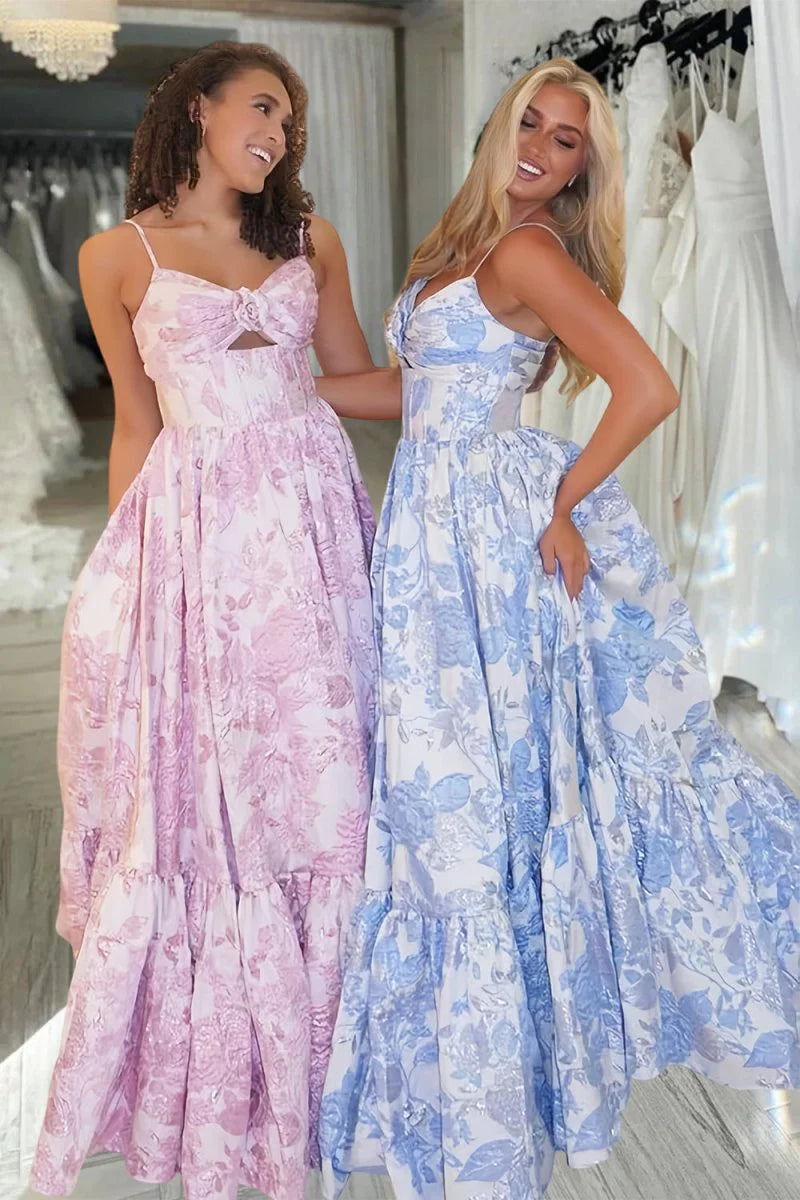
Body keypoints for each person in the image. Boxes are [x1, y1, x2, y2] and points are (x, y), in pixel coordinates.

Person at [315, 57, 800, 1199]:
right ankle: (495, 1080)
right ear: (498, 128)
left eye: (565, 139)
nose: (538, 146)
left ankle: (500, 1097)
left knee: (476, 792)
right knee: (469, 791)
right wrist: (285, 388)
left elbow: (647, 387)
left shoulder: (529, 251)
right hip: (430, 541)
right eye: (528, 122)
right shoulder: (462, 245)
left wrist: (562, 503)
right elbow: (416, 394)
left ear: (584, 166)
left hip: (483, 546)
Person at [30, 42, 377, 1200]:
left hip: (312, 531)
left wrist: (474, 369)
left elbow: (350, 379)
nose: (277, 132)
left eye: (290, 120)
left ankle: (339, 1051)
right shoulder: (113, 256)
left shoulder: (311, 240)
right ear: (197, 110)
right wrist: (120, 577)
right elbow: (136, 422)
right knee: (209, 789)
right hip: (194, 536)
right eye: (262, 106)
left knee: (321, 780)